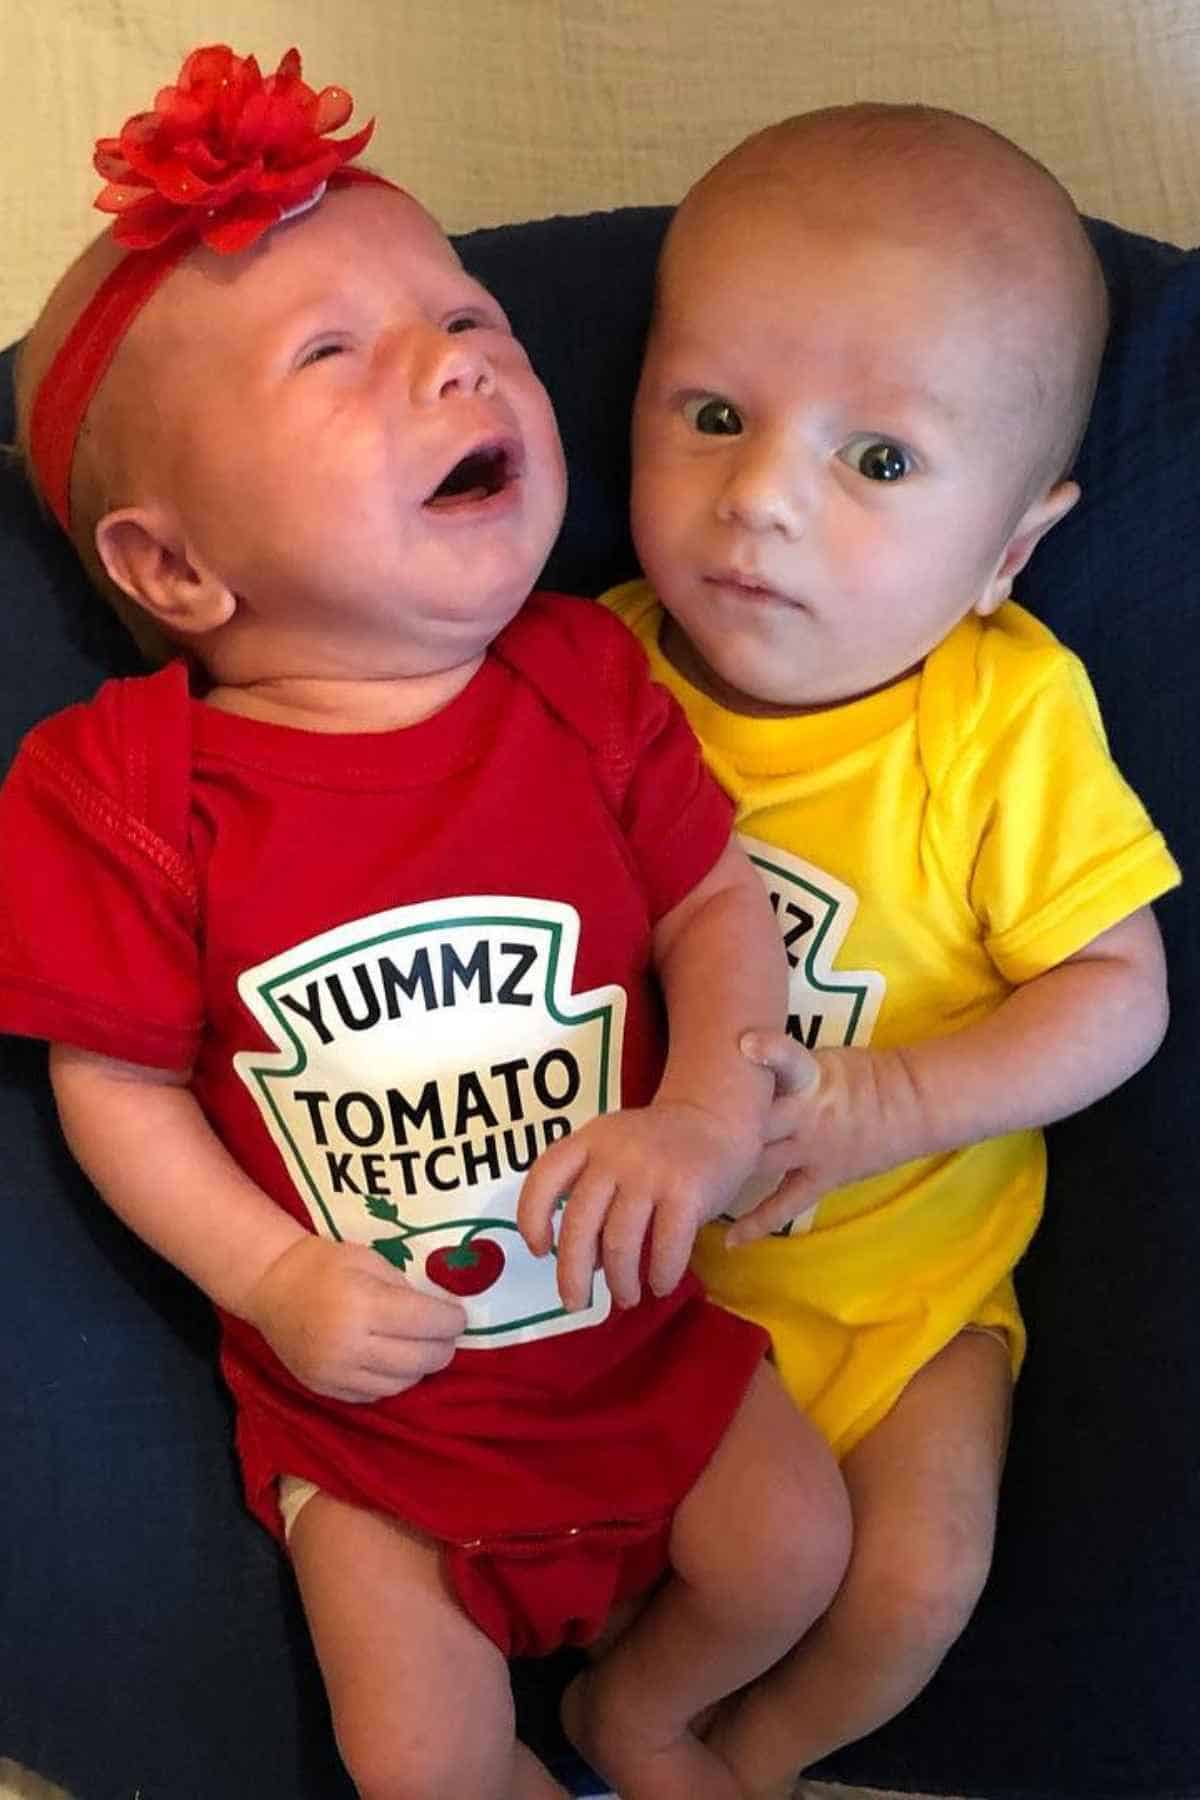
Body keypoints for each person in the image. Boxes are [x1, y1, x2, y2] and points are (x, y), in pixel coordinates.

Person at [0, 48, 852, 1800]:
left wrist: (704, 1111)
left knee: (797, 1552)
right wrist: (275, 1278)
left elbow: (713, 901)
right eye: (333, 353)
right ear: (172, 572)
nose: (463, 354)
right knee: (417, 1768)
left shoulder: (581, 669)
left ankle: (644, 1712)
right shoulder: (121, 782)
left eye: (462, 309)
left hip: (644, 1345)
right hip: (372, 1423)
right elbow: (116, 1086)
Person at [605, 101, 1181, 1798]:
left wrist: (885, 1104)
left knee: (917, 1575)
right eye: (711, 416)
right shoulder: (580, 679)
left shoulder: (1000, 717)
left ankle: (760, 1758)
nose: (759, 500)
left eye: (878, 461)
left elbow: (1114, 996)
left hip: (906, 1294)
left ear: (1011, 545)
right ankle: (628, 1718)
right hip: (646, 1289)